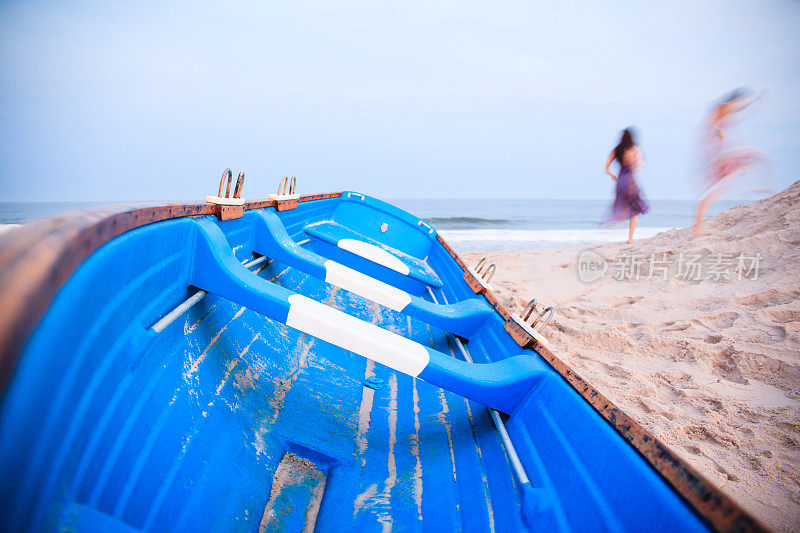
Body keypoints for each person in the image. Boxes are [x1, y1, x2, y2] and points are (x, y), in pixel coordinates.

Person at [694, 88, 767, 236]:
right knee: (754, 156)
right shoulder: (724, 107)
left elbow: (735, 112)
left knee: (721, 186)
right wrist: (754, 101)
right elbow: (714, 126)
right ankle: (760, 186)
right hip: (719, 151)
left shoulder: (724, 110)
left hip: (719, 149)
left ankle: (697, 228)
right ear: (735, 100)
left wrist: (753, 101)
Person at [604, 128, 648, 244]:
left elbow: (606, 167)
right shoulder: (634, 150)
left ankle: (615, 220)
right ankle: (630, 238)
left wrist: (612, 175)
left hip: (620, 182)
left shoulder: (617, 150)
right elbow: (637, 166)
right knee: (635, 209)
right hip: (630, 181)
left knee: (621, 204)